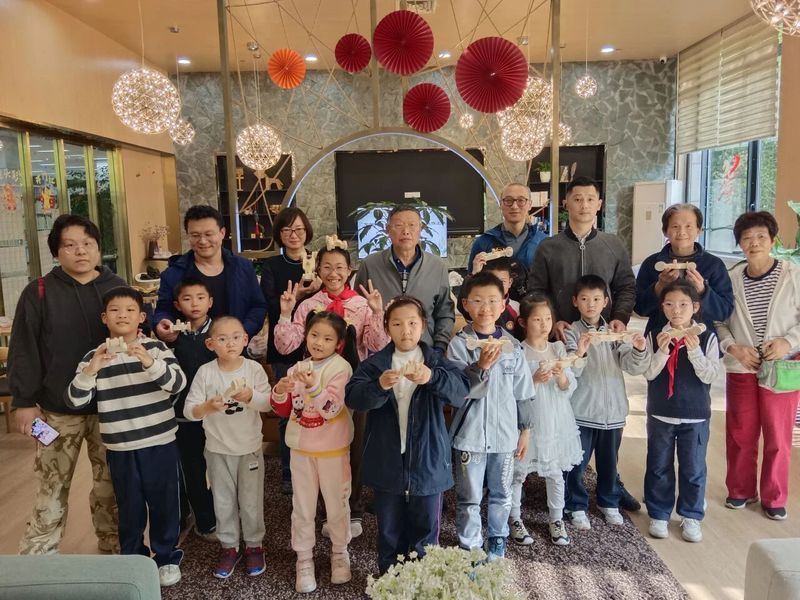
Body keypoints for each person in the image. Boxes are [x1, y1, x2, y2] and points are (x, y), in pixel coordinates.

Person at [8, 213, 123, 556]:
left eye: (87, 243)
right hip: (55, 409)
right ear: (56, 252)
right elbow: (23, 349)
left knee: (111, 482)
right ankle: (38, 555)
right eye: (70, 245)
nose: (80, 251)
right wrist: (23, 401)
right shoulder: (38, 292)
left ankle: (114, 543)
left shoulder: (116, 287)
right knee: (51, 482)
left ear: (98, 247)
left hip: (110, 407)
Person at [528, 176, 641, 513]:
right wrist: (552, 321)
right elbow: (536, 290)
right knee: (570, 413)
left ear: (599, 204)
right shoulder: (548, 247)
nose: (584, 205)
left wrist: (619, 316)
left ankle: (610, 483)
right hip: (563, 339)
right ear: (566, 203)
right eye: (577, 199)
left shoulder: (612, 244)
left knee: (605, 410)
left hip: (604, 338)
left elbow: (626, 287)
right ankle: (566, 485)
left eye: (590, 199)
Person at [67, 287, 186, 587]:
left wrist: (150, 362)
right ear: (104, 318)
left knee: (164, 503)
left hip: (159, 441)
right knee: (129, 507)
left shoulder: (156, 348)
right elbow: (75, 401)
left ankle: (166, 557)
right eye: (115, 310)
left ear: (141, 317)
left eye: (130, 310)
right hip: (120, 445)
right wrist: (91, 370)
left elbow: (177, 384)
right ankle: (133, 557)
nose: (122, 315)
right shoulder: (94, 356)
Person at [345, 296, 469, 575]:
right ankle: (390, 581)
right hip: (387, 461)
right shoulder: (376, 364)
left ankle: (423, 583)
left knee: (426, 533)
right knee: (389, 531)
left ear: (423, 325)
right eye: (397, 324)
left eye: (412, 323)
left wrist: (432, 378)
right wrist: (378, 386)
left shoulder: (435, 360)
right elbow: (353, 397)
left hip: (428, 461)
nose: (406, 330)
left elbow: (461, 392)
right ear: (387, 327)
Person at [715, 211, 800, 521]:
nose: (754, 243)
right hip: (742, 366)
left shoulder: (793, 275)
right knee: (740, 432)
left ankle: (774, 496)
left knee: (778, 436)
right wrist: (733, 347)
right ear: (739, 243)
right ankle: (740, 490)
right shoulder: (731, 279)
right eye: (747, 238)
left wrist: (788, 342)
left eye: (761, 237)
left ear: (772, 241)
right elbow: (719, 322)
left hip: (782, 368)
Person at [446, 271, 535, 561]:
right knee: (469, 496)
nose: (485, 308)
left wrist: (525, 430)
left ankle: (497, 538)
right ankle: (470, 545)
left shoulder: (513, 347)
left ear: (503, 304)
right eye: (478, 300)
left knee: (501, 492)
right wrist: (480, 367)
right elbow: (456, 391)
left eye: (493, 301)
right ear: (465, 304)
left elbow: (523, 392)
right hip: (469, 436)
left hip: (505, 436)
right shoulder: (458, 345)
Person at [271, 311, 356, 592]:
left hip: (333, 450)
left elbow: (331, 410)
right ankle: (304, 559)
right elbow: (285, 410)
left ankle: (339, 553)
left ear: (338, 343)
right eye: (314, 335)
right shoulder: (297, 367)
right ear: (306, 336)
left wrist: (313, 386)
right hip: (301, 449)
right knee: (302, 507)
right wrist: (280, 390)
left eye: (327, 338)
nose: (319, 342)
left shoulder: (341, 368)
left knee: (337, 505)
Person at [183, 316, 271, 579]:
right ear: (210, 344)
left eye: (235, 337)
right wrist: (207, 407)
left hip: (249, 448)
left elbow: (268, 403)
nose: (230, 343)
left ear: (245, 340)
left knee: (251, 500)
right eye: (222, 339)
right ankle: (229, 546)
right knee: (222, 501)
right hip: (217, 450)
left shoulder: (253, 369)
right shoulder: (205, 372)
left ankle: (254, 545)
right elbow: (189, 411)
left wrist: (251, 396)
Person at [563, 275, 649, 529]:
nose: (590, 304)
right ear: (575, 301)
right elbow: (570, 372)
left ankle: (608, 502)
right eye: (584, 299)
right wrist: (581, 352)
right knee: (576, 462)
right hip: (582, 410)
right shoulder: (571, 332)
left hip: (613, 412)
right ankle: (575, 504)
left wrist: (639, 349)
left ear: (606, 302)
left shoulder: (615, 332)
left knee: (609, 462)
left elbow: (632, 366)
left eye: (596, 299)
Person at [251, 207, 321, 495]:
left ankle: (317, 467)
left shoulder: (317, 262)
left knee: (318, 406)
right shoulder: (271, 266)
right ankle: (289, 472)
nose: (294, 235)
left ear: (307, 232)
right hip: (283, 347)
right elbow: (268, 304)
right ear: (279, 234)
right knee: (288, 411)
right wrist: (298, 297)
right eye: (287, 230)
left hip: (318, 346)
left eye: (299, 229)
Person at [644, 281, 721, 542]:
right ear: (662, 307)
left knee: (693, 468)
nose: (676, 310)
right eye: (669, 304)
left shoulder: (707, 337)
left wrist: (695, 350)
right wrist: (662, 352)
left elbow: (710, 375)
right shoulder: (655, 334)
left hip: (695, 414)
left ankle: (691, 515)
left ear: (695, 307)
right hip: (661, 412)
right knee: (658, 465)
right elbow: (649, 373)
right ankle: (659, 514)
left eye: (683, 304)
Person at [509, 293, 582, 547]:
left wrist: (561, 376)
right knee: (518, 472)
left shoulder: (558, 348)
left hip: (555, 418)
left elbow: (569, 387)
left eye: (548, 319)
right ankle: (515, 518)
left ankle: (556, 518)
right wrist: (534, 380)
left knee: (554, 472)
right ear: (523, 322)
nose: (544, 325)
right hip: (529, 420)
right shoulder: (518, 351)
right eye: (537, 319)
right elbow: (513, 391)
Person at [154, 204, 267, 343]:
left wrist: (243, 332)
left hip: (234, 349)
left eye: (208, 234)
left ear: (222, 233)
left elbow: (257, 306)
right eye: (195, 235)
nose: (202, 241)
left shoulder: (243, 267)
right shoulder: (173, 274)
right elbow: (164, 310)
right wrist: (162, 323)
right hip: (190, 348)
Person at [353, 205, 454, 354]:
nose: (406, 231)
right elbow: (358, 310)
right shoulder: (370, 264)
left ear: (421, 229)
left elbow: (444, 312)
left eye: (412, 225)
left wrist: (439, 347)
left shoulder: (437, 266)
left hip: (425, 350)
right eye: (399, 225)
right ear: (387, 230)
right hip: (381, 352)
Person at [274, 245, 389, 361]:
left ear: (349, 270)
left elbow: (377, 346)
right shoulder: (309, 305)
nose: (333, 274)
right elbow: (284, 348)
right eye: (327, 267)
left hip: (354, 370)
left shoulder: (363, 305)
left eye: (339, 267)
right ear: (319, 270)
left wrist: (377, 312)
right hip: (316, 371)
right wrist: (285, 314)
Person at [635, 203, 733, 336]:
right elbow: (640, 309)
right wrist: (659, 287)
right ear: (665, 231)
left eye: (688, 226)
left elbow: (724, 312)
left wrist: (703, 290)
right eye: (675, 226)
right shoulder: (652, 263)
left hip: (702, 338)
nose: (682, 232)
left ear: (699, 230)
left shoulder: (714, 264)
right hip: (660, 337)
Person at [169, 278, 218, 541]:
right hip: (183, 414)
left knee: (220, 468)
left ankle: (224, 513)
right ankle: (204, 521)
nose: (194, 303)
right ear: (177, 305)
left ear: (210, 302)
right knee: (192, 468)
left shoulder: (219, 332)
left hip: (218, 414)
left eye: (200, 297)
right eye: (187, 299)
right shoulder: (171, 335)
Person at [467, 182, 547, 300]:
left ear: (530, 204)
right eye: (508, 200)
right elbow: (471, 288)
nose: (514, 206)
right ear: (500, 204)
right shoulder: (483, 243)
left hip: (534, 308)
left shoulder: (544, 242)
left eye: (521, 200)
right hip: (496, 309)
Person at [457, 257, 523, 340]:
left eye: (502, 282)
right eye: (491, 281)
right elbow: (463, 303)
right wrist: (474, 274)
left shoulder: (516, 308)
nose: (496, 286)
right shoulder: (477, 306)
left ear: (510, 282)